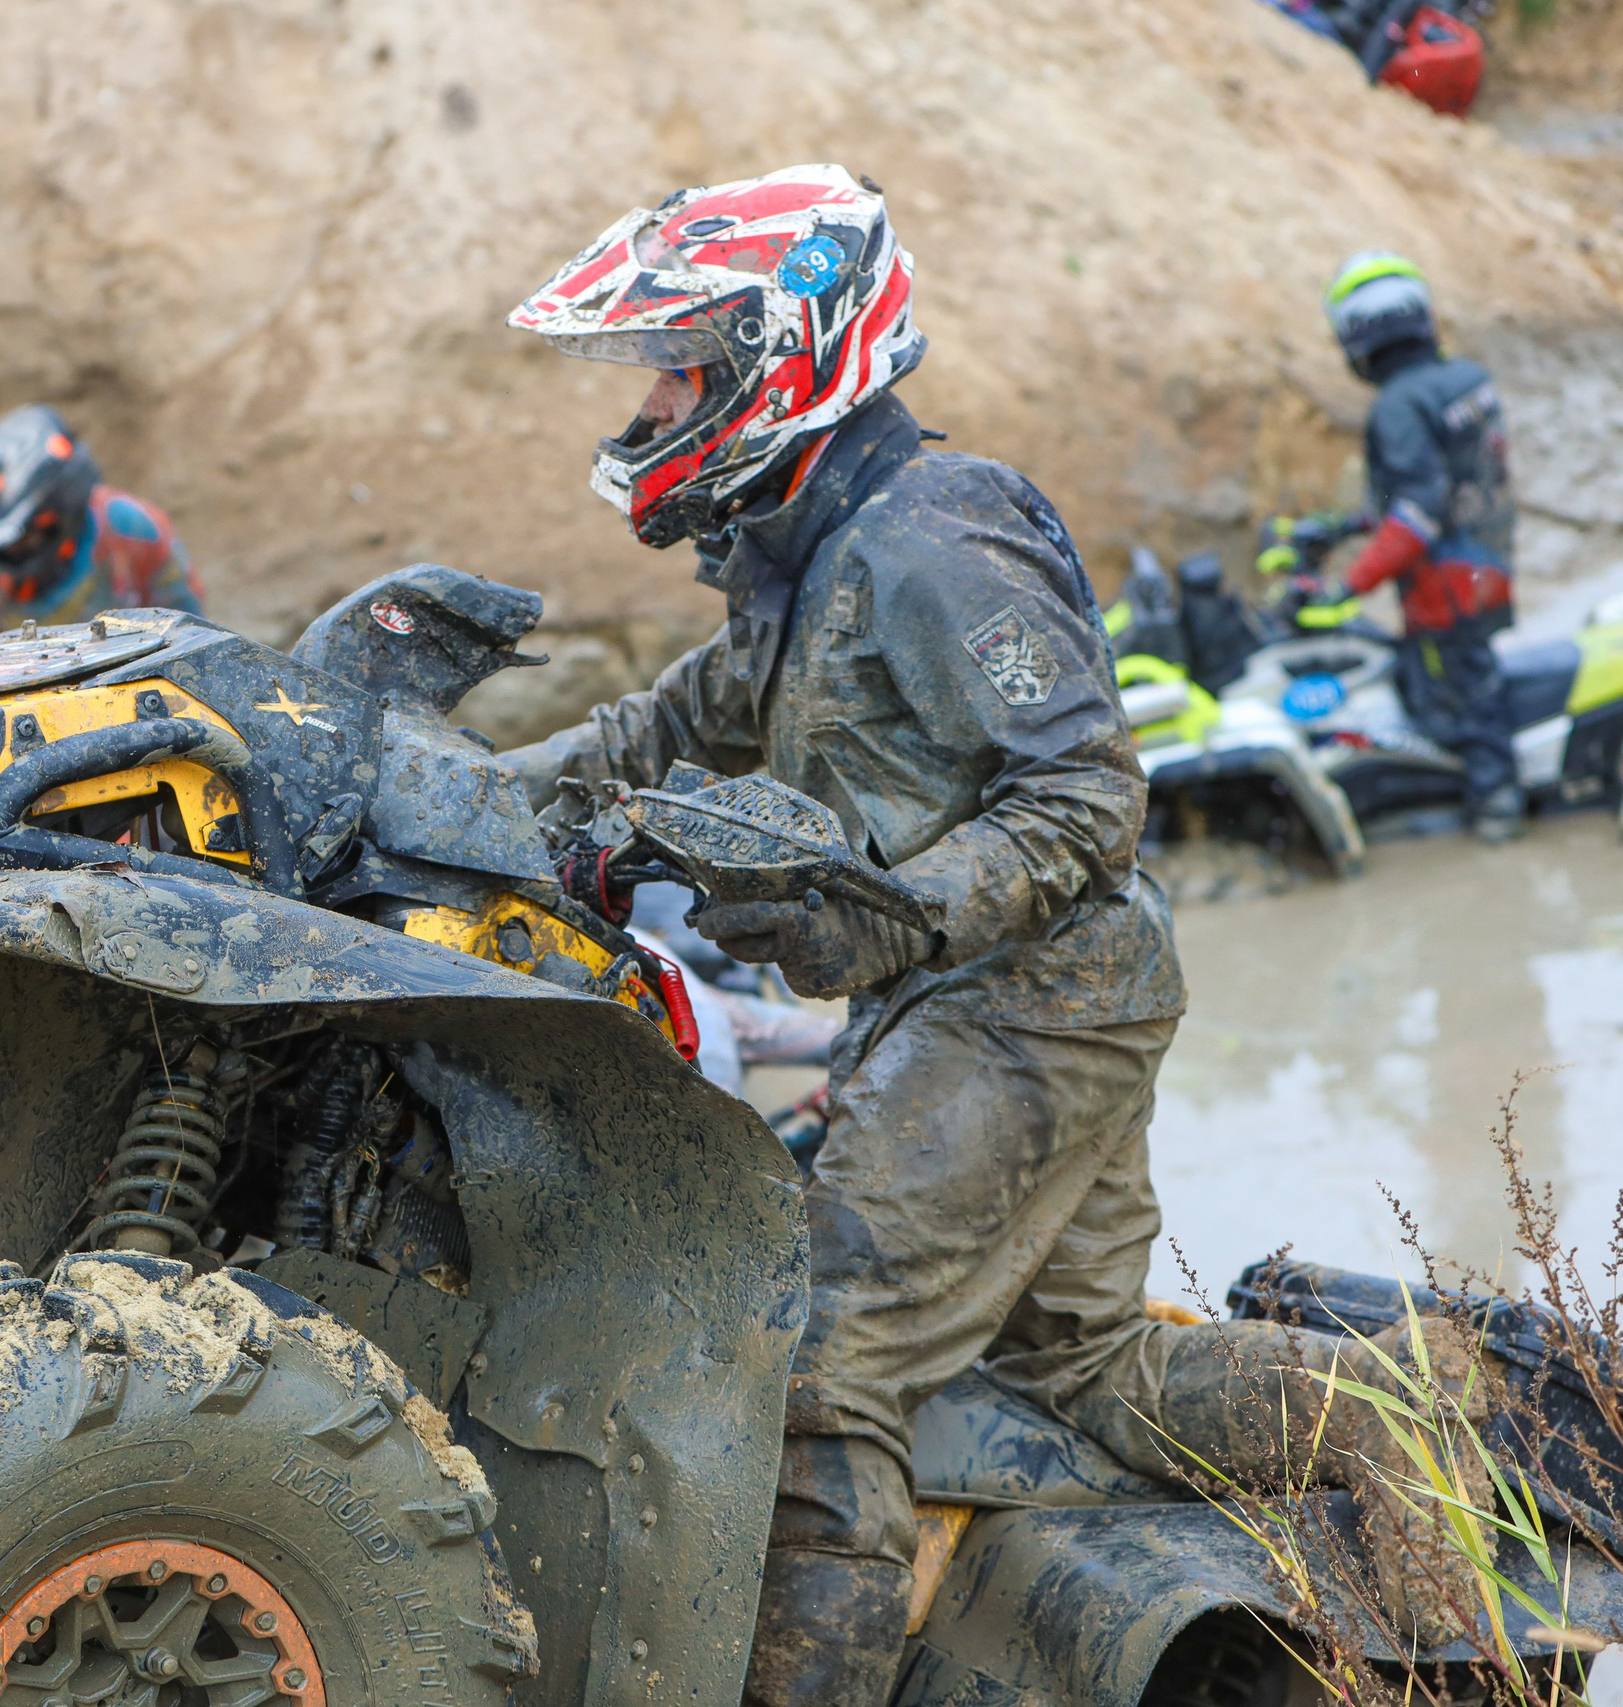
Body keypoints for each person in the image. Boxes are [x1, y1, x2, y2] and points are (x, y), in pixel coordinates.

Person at [499, 167, 1460, 1707]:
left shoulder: (933, 534)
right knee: (1073, 1361)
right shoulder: (801, 533)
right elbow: (678, 717)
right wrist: (465, 791)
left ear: (781, 355)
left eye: (680, 369)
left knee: (819, 1368)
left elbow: (1088, 793)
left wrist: (902, 909)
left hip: (1028, 996)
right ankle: (1379, 1413)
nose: (654, 402)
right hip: (980, 992)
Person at [1325, 251, 1523, 842]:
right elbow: (1447, 480)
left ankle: (1497, 806)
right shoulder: (1465, 379)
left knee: (1465, 701)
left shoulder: (1397, 407)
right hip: (1489, 559)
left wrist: (1346, 585)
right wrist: (1346, 528)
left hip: (1447, 585)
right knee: (1469, 676)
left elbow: (1417, 512)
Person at [0, 405, 203, 649]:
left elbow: (191, 641)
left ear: (59, 514)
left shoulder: (135, 532)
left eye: (20, 537)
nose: (6, 552)